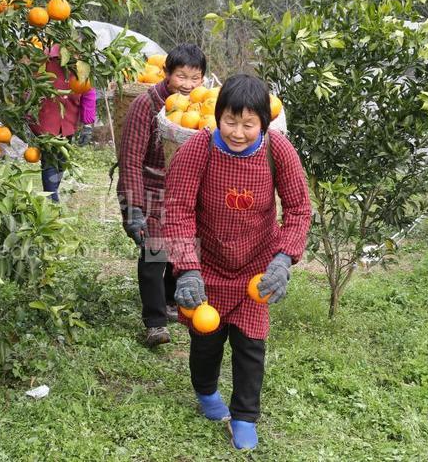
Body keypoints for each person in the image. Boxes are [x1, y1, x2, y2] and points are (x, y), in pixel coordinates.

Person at [163, 74, 311, 450]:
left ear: (264, 121)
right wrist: (187, 268)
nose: (239, 132)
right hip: (208, 266)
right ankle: (207, 393)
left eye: (249, 123)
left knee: (250, 346)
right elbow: (177, 210)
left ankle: (244, 416)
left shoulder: (278, 151)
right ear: (217, 115)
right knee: (206, 342)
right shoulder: (198, 149)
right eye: (231, 120)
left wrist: (282, 259)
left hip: (256, 269)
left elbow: (298, 209)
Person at [117, 44, 207, 346]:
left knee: (183, 247)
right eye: (182, 76)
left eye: (196, 78)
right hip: (153, 189)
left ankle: (170, 303)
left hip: (185, 192)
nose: (188, 85)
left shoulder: (203, 109)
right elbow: (130, 158)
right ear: (167, 73)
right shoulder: (146, 105)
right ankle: (155, 323)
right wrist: (134, 208)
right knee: (155, 253)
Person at [29, 44, 96, 202]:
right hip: (47, 119)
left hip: (68, 121)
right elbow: (29, 88)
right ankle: (52, 199)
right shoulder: (44, 61)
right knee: (50, 159)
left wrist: (87, 124)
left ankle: (52, 194)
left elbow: (88, 93)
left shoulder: (81, 66)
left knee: (62, 161)